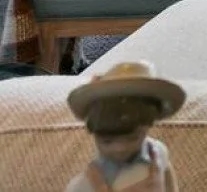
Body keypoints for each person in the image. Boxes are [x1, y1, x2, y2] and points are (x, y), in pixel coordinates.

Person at [65, 60, 184, 192]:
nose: (120, 149)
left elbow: (167, 172)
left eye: (132, 138)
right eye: (107, 141)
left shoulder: (157, 152)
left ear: (147, 125)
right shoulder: (85, 185)